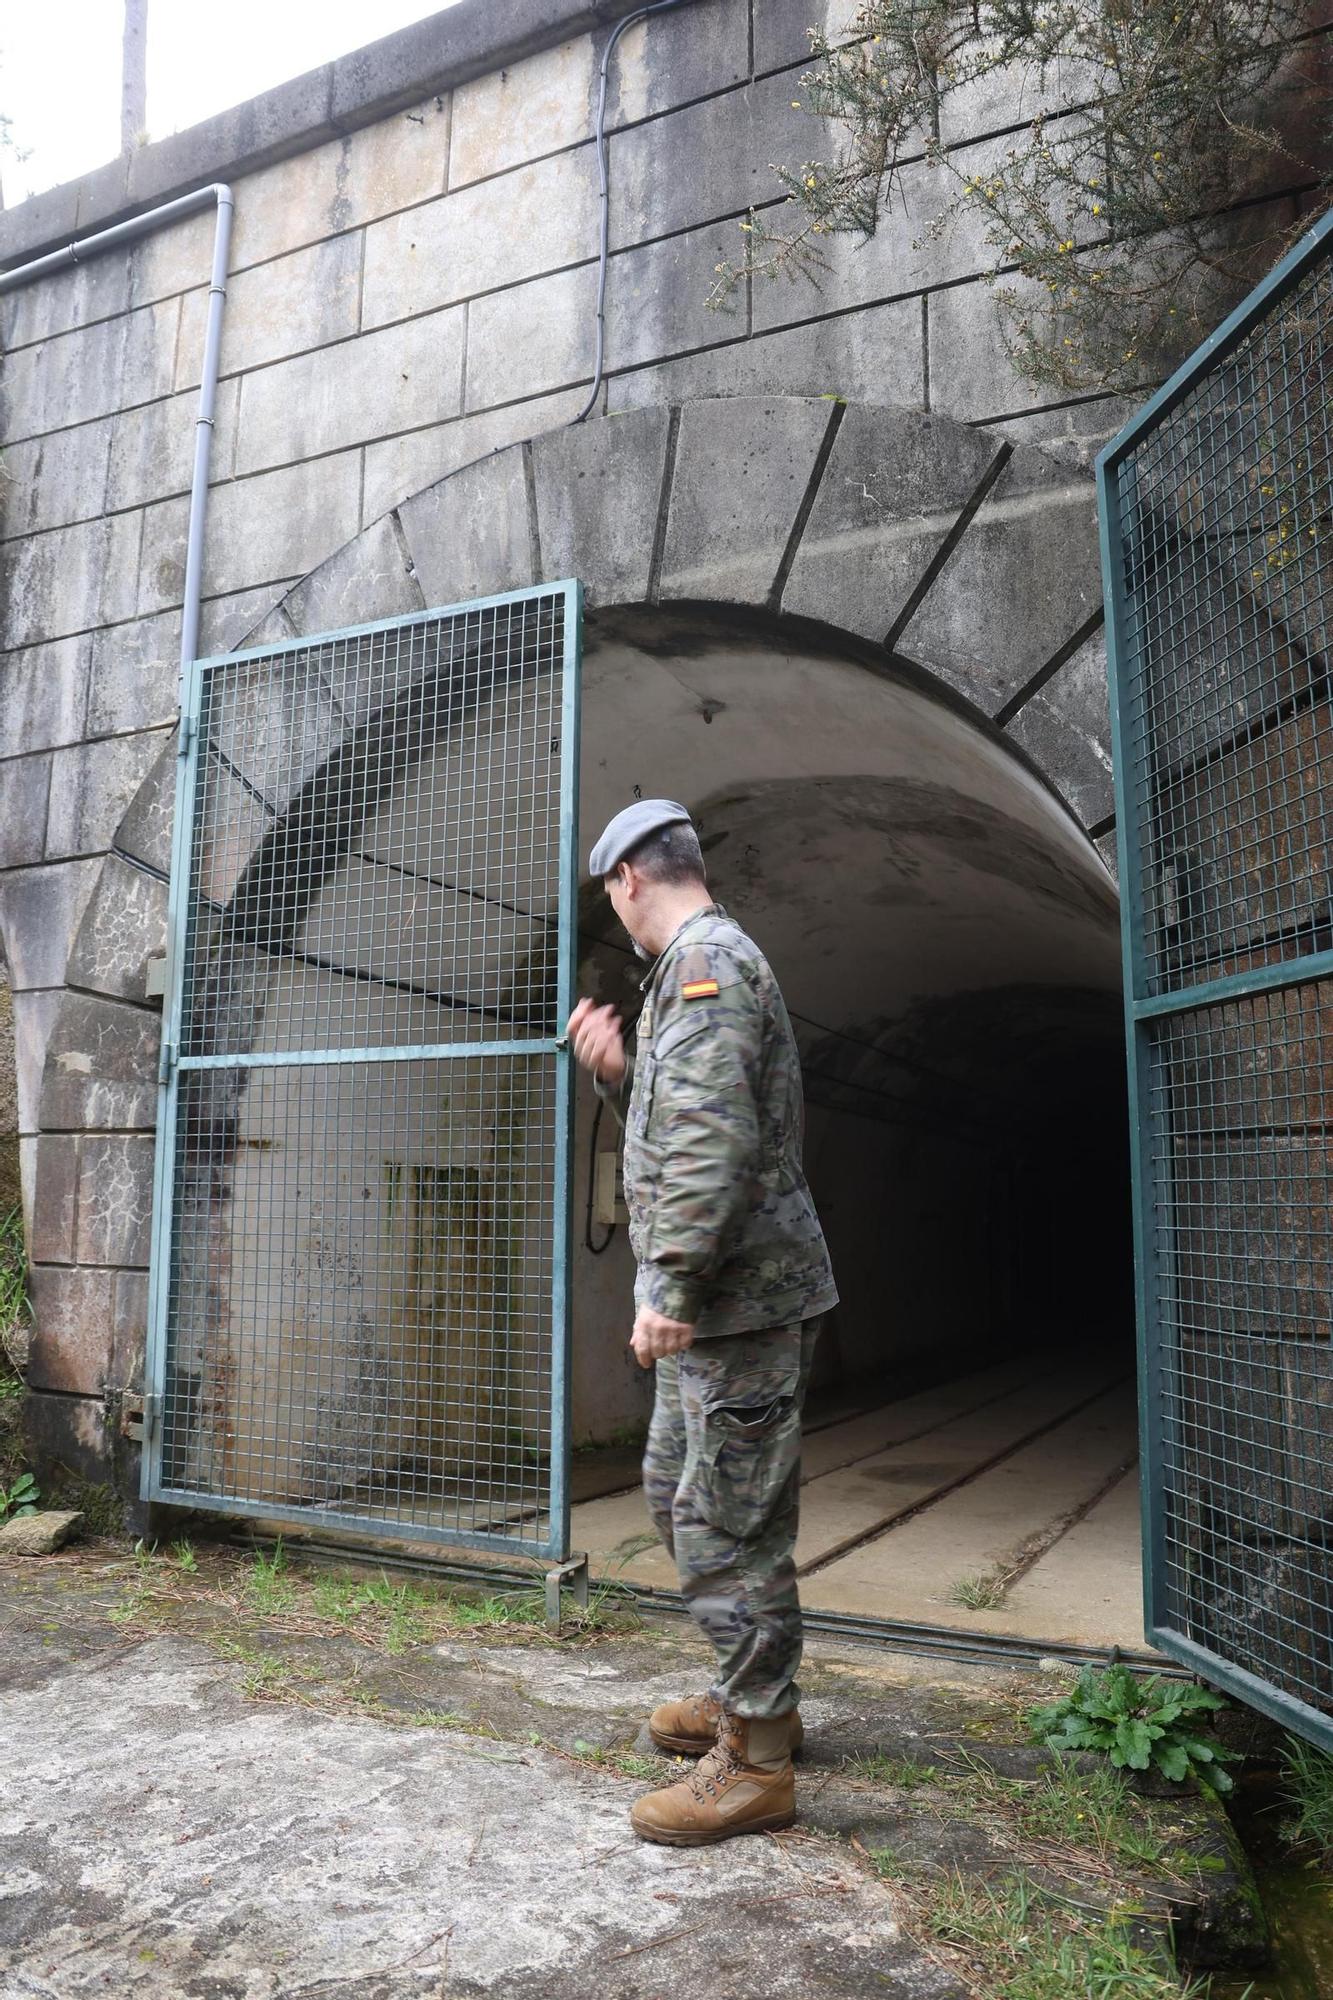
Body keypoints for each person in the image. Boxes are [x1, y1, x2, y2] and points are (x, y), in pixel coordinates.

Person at [567, 798, 838, 1847]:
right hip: (729, 1305)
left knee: (727, 1524)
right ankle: (752, 1693)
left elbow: (715, 1145)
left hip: (737, 1305)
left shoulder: (704, 968)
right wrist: (619, 1073)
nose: (617, 910)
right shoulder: (695, 972)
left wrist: (667, 1286)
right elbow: (694, 1112)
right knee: (682, 1500)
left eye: (610, 894)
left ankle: (760, 1760)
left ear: (630, 877)